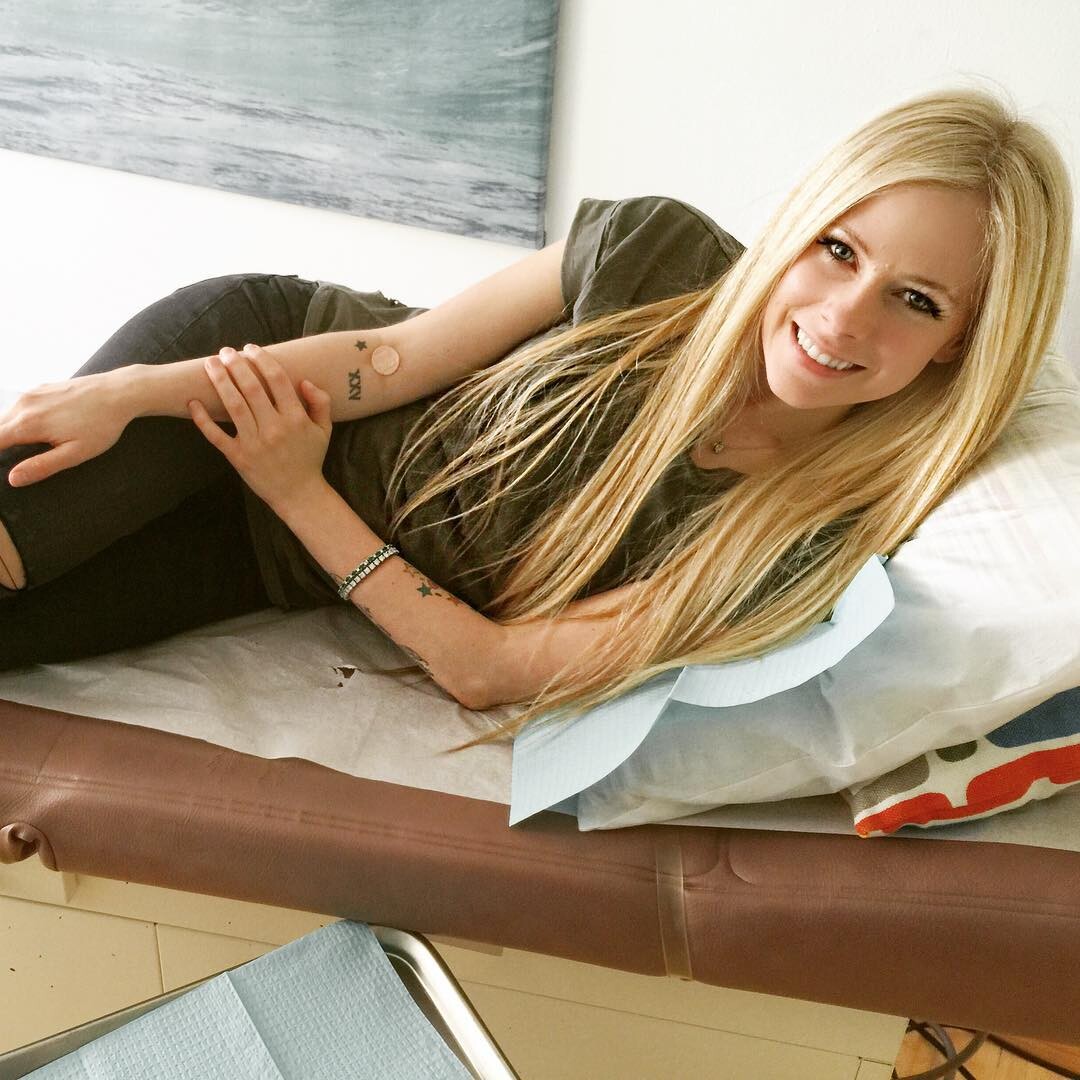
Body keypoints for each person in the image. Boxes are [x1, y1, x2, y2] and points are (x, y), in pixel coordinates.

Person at [0, 86, 1071, 748]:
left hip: (274, 536)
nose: (843, 316)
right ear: (797, 229)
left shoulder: (805, 540)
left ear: (960, 345)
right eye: (837, 250)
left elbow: (487, 668)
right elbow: (389, 358)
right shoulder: (653, 253)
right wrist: (134, 391)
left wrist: (296, 492)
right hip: (264, 376)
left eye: (915, 300)